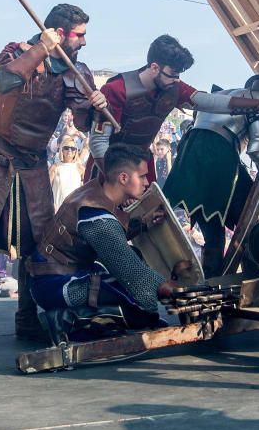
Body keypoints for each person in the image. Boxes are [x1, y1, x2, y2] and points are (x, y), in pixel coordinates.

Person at [0, 3, 107, 349]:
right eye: (79, 34)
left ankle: (26, 317)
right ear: (58, 32)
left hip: (35, 165)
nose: (84, 42)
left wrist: (97, 105)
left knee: (36, 244)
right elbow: (5, 79)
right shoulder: (17, 52)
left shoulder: (76, 69)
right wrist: (43, 47)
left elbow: (84, 122)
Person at [29, 144, 177, 339]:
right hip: (55, 285)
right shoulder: (95, 212)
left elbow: (109, 240)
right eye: (141, 176)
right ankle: (64, 319)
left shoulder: (94, 193)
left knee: (134, 278)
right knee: (133, 300)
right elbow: (130, 269)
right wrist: (171, 290)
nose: (147, 182)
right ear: (123, 178)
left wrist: (142, 223)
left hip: (60, 277)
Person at [87, 34, 259, 181]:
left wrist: (258, 104)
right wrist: (118, 180)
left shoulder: (174, 88)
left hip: (141, 166)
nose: (177, 79)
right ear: (154, 67)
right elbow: (98, 143)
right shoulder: (116, 89)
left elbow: (208, 101)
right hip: (107, 167)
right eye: (172, 73)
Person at [162, 74, 259, 278]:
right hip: (217, 154)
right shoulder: (258, 99)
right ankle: (251, 276)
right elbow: (258, 150)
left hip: (188, 154)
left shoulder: (222, 94)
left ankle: (211, 279)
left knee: (213, 232)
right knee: (248, 221)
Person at [49, 136, 85, 208]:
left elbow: (84, 191)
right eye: (66, 148)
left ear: (76, 151)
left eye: (72, 148)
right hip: (57, 209)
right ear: (62, 150)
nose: (69, 151)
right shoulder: (54, 167)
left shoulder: (80, 168)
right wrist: (52, 205)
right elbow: (47, 190)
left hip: (74, 210)